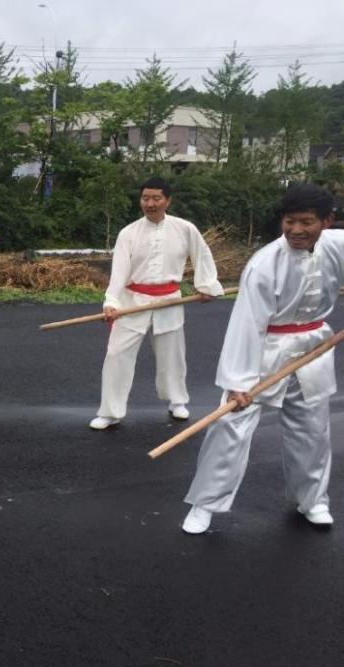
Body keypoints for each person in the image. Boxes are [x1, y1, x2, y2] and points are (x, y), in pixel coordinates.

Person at [181, 184, 343, 534]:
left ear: (327, 221)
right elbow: (246, 325)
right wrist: (238, 385)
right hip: (264, 351)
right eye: (289, 221)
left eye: (306, 222)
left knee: (313, 429)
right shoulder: (264, 265)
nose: (296, 230)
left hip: (314, 349)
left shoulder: (337, 245)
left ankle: (312, 500)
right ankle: (204, 505)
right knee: (231, 425)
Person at [89, 177, 224, 430]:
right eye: (145, 198)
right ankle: (110, 411)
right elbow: (118, 271)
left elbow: (202, 255)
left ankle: (177, 401)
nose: (150, 203)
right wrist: (111, 301)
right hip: (132, 300)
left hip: (169, 301)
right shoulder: (128, 233)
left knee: (172, 355)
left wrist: (206, 286)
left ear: (168, 200)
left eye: (156, 198)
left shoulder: (185, 229)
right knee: (117, 354)